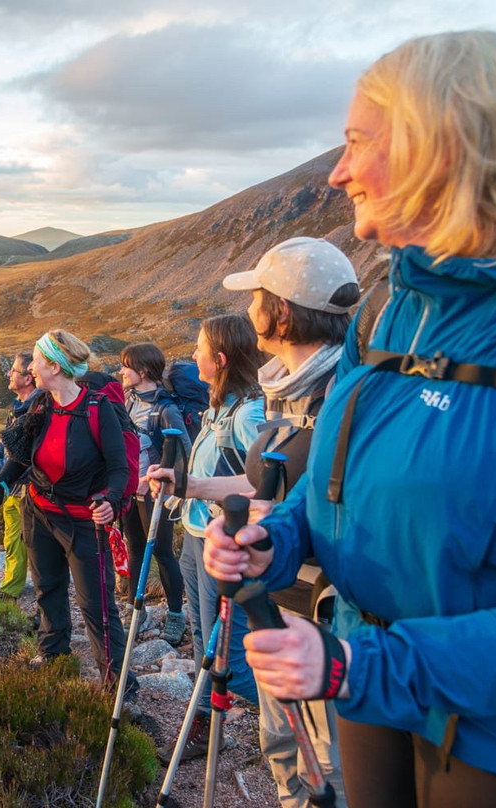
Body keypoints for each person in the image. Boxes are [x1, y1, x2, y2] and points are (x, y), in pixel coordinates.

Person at [203, 31, 496, 808]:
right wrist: (275, 542)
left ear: (441, 148)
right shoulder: (382, 312)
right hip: (365, 681)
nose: (339, 171)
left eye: (356, 143)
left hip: (491, 731)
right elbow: (336, 485)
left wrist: (357, 666)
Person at [221, 236, 360, 807]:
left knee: (332, 766)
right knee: (283, 745)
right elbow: (275, 493)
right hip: (277, 601)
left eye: (257, 295)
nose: (249, 307)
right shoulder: (280, 390)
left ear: (279, 311)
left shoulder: (346, 396)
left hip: (328, 623)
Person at [0, 330, 140, 706]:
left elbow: (117, 468)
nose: (29, 367)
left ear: (54, 366)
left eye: (35, 360)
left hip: (84, 522)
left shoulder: (98, 410)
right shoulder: (39, 407)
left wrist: (112, 500)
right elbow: (18, 461)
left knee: (95, 604)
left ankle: (118, 683)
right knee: (48, 588)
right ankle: (53, 654)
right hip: (39, 513)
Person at [148, 314, 265, 760]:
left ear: (219, 358)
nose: (192, 355)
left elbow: (263, 486)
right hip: (198, 537)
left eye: (198, 349)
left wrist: (192, 486)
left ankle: (303, 713)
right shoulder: (220, 407)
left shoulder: (250, 413)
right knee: (203, 641)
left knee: (229, 662)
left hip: (226, 547)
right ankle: (203, 728)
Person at [118, 342, 190, 645]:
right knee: (134, 547)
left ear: (143, 371)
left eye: (126, 366)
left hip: (154, 494)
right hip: (131, 490)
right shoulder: (128, 401)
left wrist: (157, 474)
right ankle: (139, 610)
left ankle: (176, 614)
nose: (121, 371)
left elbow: (183, 449)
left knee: (162, 552)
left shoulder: (165, 409)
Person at [0, 351, 39, 600]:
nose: (8, 374)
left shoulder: (36, 410)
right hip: (12, 489)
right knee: (13, 539)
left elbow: (27, 461)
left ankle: (37, 596)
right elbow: (6, 448)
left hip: (29, 491)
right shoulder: (15, 409)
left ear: (28, 378)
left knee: (33, 544)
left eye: (13, 370)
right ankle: (12, 588)